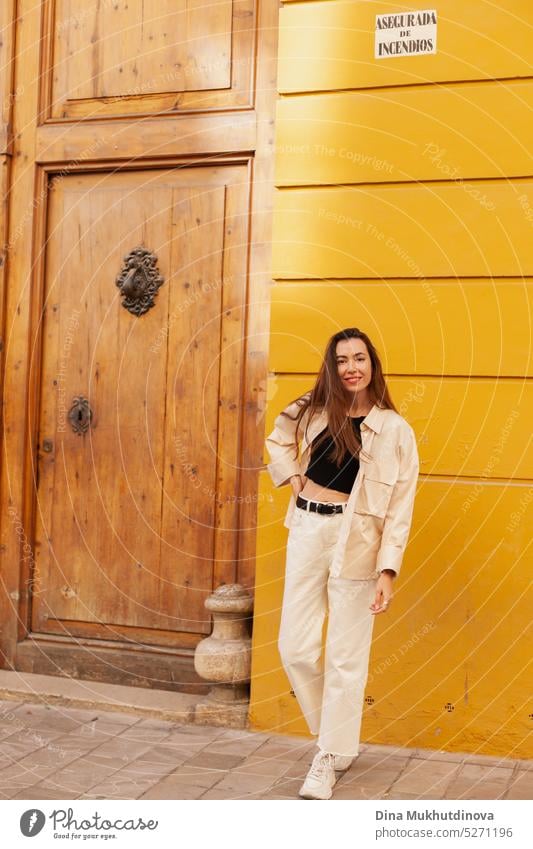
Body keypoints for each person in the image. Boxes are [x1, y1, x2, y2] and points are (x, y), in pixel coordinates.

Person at [264, 327, 419, 800]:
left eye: (360, 358)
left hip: (359, 544)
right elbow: (278, 439)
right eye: (342, 360)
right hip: (308, 531)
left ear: (373, 365)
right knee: (295, 647)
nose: (352, 367)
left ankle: (328, 757)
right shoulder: (310, 408)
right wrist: (292, 475)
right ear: (332, 367)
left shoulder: (394, 430)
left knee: (346, 656)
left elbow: (401, 505)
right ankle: (337, 735)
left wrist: (388, 571)